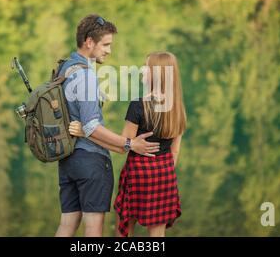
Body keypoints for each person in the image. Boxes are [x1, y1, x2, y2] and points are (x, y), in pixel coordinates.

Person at [55, 14, 160, 237]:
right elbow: (91, 126)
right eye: (106, 44)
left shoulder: (65, 68)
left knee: (67, 225)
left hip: (68, 160)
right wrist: (130, 143)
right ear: (89, 41)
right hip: (91, 162)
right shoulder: (85, 75)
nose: (109, 50)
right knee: (93, 229)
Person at [70, 51, 186, 237]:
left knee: (124, 229)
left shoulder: (138, 106)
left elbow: (122, 146)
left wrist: (86, 133)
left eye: (146, 67)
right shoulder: (177, 108)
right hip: (165, 175)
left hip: (138, 174)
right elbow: (175, 152)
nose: (142, 69)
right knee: (157, 235)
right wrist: (161, 171)